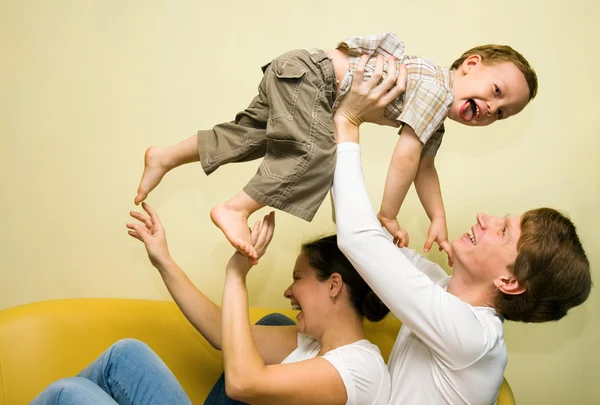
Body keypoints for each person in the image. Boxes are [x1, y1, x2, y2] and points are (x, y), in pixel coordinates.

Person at [133, 32, 538, 264]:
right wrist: (388, 214)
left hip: (299, 73)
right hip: (313, 79)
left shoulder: (433, 118)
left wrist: (438, 218)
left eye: (500, 113)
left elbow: (424, 168)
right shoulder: (436, 88)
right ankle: (235, 208)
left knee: (252, 135)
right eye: (495, 91)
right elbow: (406, 157)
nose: (490, 108)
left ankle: (165, 156)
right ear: (470, 64)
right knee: (317, 155)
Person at [330, 54, 592, 404]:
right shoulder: (440, 285)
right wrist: (334, 124)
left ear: (510, 282)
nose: (485, 218)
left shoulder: (475, 339)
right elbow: (358, 232)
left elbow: (358, 238)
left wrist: (347, 121)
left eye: (502, 231)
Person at [30, 203, 391, 405]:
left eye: (297, 278)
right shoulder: (310, 347)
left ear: (333, 286)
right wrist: (164, 260)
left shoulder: (359, 368)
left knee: (70, 394)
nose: (288, 290)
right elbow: (223, 333)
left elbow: (242, 384)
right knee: (124, 356)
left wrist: (237, 274)